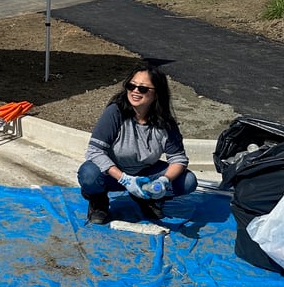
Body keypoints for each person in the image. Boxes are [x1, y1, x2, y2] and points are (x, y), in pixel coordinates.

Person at [77, 62, 198, 224]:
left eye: (142, 88)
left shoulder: (166, 124)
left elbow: (178, 159)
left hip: (144, 174)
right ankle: (98, 201)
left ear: (157, 93)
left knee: (188, 181)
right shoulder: (115, 112)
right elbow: (95, 151)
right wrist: (125, 179)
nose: (135, 91)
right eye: (131, 85)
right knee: (88, 175)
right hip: (113, 174)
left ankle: (145, 196)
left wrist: (164, 181)